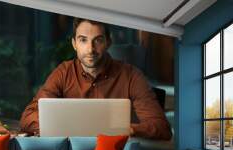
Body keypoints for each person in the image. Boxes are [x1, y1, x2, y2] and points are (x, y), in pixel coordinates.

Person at [19, 17, 172, 140]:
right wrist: (60, 127)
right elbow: (28, 116)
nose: (90, 49)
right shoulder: (63, 72)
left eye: (98, 40)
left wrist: (125, 129)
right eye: (83, 40)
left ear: (108, 42)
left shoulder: (131, 75)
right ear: (74, 44)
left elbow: (161, 127)